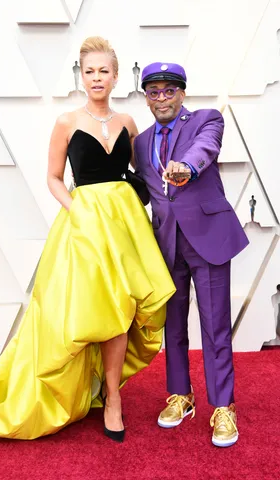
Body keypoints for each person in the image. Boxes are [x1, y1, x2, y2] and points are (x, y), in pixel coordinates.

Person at [0, 39, 175, 442]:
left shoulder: (129, 122)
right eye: (89, 71)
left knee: (121, 310)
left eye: (103, 71)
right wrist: (78, 210)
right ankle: (75, 388)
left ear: (115, 76)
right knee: (84, 312)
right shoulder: (66, 121)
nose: (97, 78)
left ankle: (112, 398)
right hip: (83, 228)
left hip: (124, 227)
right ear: (82, 75)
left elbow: (143, 171)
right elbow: (53, 178)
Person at [134, 62, 249, 447]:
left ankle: (223, 408)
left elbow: (206, 149)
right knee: (175, 326)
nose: (162, 97)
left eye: (169, 90)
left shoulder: (205, 120)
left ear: (182, 93)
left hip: (209, 239)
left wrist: (186, 167)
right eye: (154, 91)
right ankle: (180, 396)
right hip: (167, 244)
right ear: (146, 98)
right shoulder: (141, 141)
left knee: (215, 327)